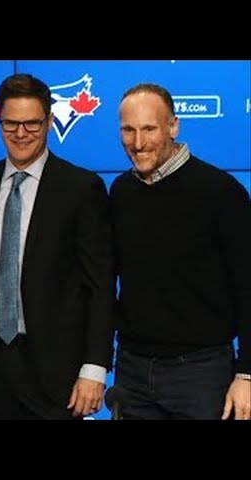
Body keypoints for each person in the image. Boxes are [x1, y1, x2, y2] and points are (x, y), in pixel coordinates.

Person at [0, 73, 115, 420]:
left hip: (58, 371)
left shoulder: (82, 188)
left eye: (32, 124)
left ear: (50, 121)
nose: (21, 134)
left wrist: (95, 368)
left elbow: (100, 285)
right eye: (11, 124)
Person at [110, 83, 251, 420]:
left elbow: (248, 287)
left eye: (149, 129)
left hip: (202, 374)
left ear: (173, 126)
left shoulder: (221, 192)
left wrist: (246, 374)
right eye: (128, 130)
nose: (138, 143)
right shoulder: (121, 192)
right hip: (132, 372)